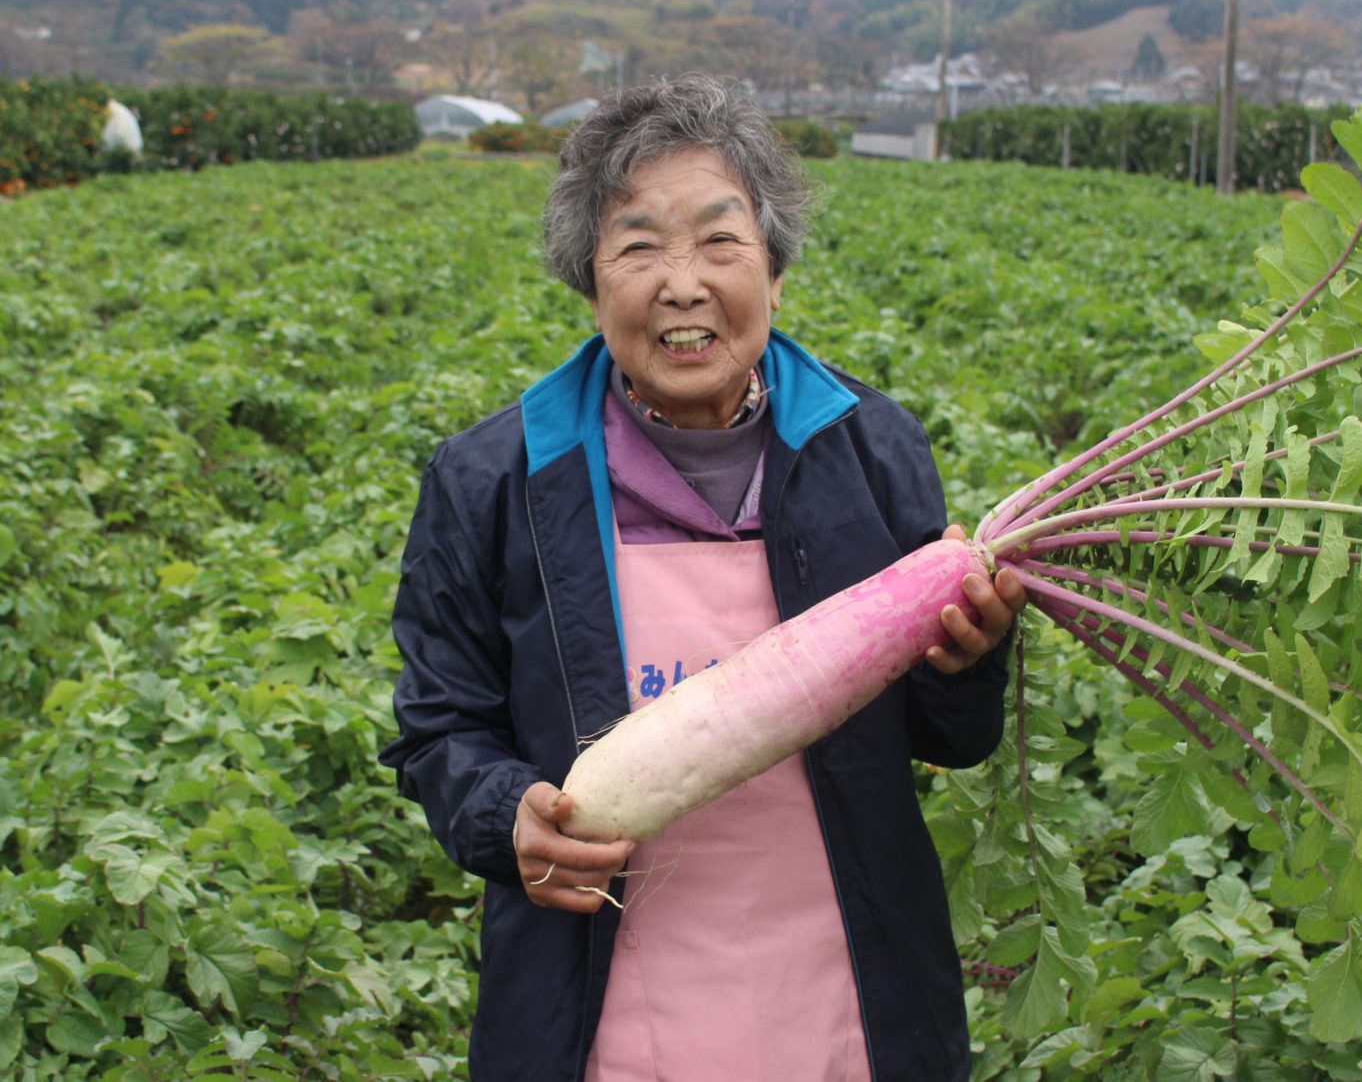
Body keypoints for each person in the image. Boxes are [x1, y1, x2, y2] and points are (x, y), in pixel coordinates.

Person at [380, 74, 1026, 1082]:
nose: (683, 283)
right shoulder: (490, 481)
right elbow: (437, 727)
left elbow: (954, 736)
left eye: (721, 242)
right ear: (589, 282)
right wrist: (505, 811)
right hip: (600, 1016)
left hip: (848, 1006)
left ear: (775, 270)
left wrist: (969, 658)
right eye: (639, 246)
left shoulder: (873, 450)